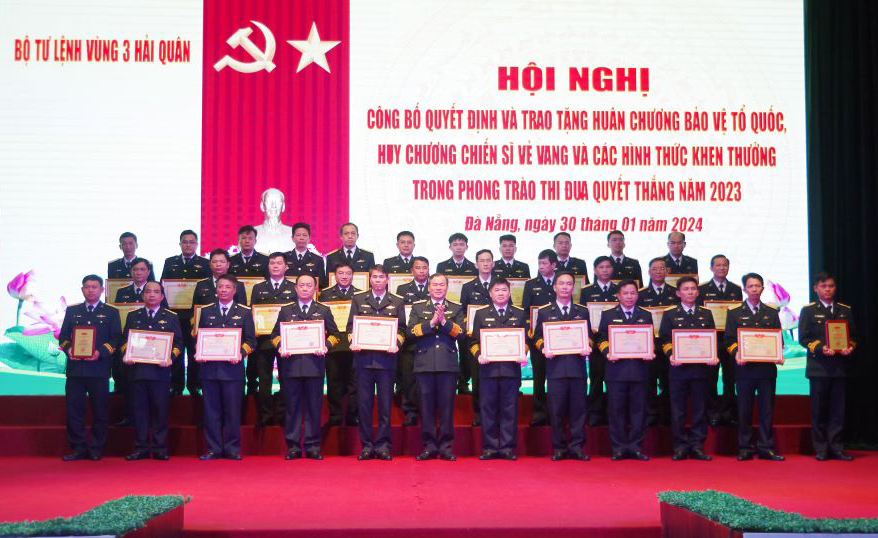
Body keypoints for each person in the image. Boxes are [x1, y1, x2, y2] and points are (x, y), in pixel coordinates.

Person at [271, 274, 340, 460]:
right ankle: (293, 447)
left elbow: (335, 335)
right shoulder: (286, 310)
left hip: (314, 366)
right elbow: (275, 335)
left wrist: (326, 346)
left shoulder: (323, 310)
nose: (305, 288)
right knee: (292, 408)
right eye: (301, 285)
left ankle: (312, 446)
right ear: (296, 288)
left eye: (309, 285)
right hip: (291, 366)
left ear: (315, 289)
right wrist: (281, 346)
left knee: (313, 408)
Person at [57, 275, 122, 461]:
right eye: (87, 287)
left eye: (94, 287)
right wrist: (69, 349)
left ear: (102, 289)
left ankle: (96, 448)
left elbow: (116, 339)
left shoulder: (111, 312)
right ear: (82, 290)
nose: (90, 290)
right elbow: (63, 337)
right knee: (74, 410)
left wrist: (100, 352)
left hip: (99, 369)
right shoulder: (73, 311)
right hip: (75, 369)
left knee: (100, 411)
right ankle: (78, 447)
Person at [724, 272, 784, 461]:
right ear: (745, 289)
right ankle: (745, 447)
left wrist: (778, 353)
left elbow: (778, 339)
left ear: (762, 289)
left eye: (757, 286)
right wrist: (737, 353)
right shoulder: (734, 313)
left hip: (766, 370)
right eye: (751, 286)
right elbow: (729, 340)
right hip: (745, 370)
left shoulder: (772, 312)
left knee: (767, 410)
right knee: (744, 410)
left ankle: (766, 447)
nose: (754, 289)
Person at [348, 265, 406, 460]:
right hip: (363, 361)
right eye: (375, 277)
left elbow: (402, 329)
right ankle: (366, 446)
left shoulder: (397, 301)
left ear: (387, 279)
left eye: (382, 277)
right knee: (364, 406)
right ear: (370, 279)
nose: (378, 280)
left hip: (386, 362)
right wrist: (353, 341)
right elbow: (350, 327)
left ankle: (383, 446)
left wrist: (396, 343)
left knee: (385, 407)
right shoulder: (358, 299)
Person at [195, 275, 256, 460]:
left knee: (232, 411)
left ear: (234, 290)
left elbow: (251, 341)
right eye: (220, 286)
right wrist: (200, 351)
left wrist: (240, 353)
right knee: (211, 412)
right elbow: (200, 337)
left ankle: (232, 449)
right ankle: (213, 449)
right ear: (216, 289)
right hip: (210, 370)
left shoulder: (244, 312)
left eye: (227, 287)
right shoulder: (206, 311)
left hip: (232, 371)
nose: (223, 290)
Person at [798, 272, 857, 461]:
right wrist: (820, 348)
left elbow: (853, 336)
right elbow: (803, 338)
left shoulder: (844, 310)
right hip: (819, 368)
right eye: (823, 286)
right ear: (816, 288)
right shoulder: (808, 311)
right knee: (819, 410)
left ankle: (837, 447)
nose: (828, 290)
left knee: (838, 411)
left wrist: (850, 347)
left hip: (840, 368)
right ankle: (821, 448)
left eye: (831, 286)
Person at [120, 281, 182, 460]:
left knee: (160, 411)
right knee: (139, 411)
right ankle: (141, 447)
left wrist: (170, 357)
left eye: (156, 292)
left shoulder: (170, 317)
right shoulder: (133, 316)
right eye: (148, 292)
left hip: (160, 373)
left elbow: (179, 343)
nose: (152, 295)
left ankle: (160, 447)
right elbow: (124, 341)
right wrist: (126, 354)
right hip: (138, 371)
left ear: (162, 296)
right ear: (143, 295)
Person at [533, 272, 591, 461]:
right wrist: (544, 348)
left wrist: (587, 345)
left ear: (573, 287)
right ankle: (558, 447)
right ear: (554, 287)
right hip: (555, 369)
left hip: (577, 368)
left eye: (569, 284)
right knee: (556, 410)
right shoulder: (544, 312)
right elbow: (537, 337)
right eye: (561, 283)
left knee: (578, 410)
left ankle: (577, 447)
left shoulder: (582, 311)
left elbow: (589, 336)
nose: (565, 287)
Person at [407, 273, 465, 461]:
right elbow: (410, 332)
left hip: (447, 364)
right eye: (435, 285)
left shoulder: (455, 308)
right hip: (424, 363)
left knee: (447, 409)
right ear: (429, 287)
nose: (438, 288)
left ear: (447, 287)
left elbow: (461, 334)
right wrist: (431, 323)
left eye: (442, 285)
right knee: (426, 408)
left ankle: (446, 447)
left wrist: (444, 322)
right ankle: (429, 446)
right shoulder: (418, 307)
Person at [658, 276, 715, 461]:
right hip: (678, 370)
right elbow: (665, 340)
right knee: (678, 411)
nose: (690, 292)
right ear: (678, 293)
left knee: (700, 409)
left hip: (700, 370)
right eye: (686, 289)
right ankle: (680, 446)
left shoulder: (706, 314)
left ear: (697, 292)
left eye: (693, 289)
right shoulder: (670, 314)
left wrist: (712, 354)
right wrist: (671, 355)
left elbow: (711, 338)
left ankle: (697, 446)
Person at [470, 278, 527, 460]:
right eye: (497, 290)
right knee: (488, 410)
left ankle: (507, 448)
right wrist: (479, 355)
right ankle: (489, 447)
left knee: (509, 410)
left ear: (509, 293)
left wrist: (523, 352)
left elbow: (525, 341)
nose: (501, 293)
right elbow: (473, 342)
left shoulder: (518, 313)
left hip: (511, 370)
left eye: (504, 290)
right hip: (488, 370)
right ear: (490, 293)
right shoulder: (481, 314)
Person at [597, 280, 654, 460]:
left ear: (637, 295)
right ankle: (619, 448)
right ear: (618, 296)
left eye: (633, 293)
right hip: (616, 370)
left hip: (639, 370)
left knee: (639, 411)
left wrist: (649, 351)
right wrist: (608, 352)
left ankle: (636, 447)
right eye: (625, 293)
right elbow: (601, 338)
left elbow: (649, 339)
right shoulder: (608, 315)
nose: (629, 297)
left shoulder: (645, 315)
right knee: (616, 411)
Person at [248, 252, 296, 426]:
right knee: (264, 379)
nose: (275, 266)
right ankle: (266, 415)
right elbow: (252, 314)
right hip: (264, 341)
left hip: (287, 341)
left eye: (279, 263)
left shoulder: (294, 287)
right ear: (268, 266)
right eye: (272, 263)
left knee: (286, 378)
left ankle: (283, 414)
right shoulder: (258, 288)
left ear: (286, 267)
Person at [160, 230, 210, 395]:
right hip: (174, 316)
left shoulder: (204, 263)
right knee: (176, 350)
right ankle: (176, 385)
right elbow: (162, 287)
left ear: (197, 244)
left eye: (191, 242)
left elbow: (208, 288)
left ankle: (194, 384)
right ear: (180, 244)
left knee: (194, 349)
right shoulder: (170, 262)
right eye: (185, 242)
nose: (188, 245)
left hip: (195, 316)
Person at [698, 254, 743, 426]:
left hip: (730, 341)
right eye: (718, 265)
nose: (721, 268)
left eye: (724, 265)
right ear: (711, 268)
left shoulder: (736, 289)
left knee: (730, 379)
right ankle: (712, 412)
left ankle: (728, 412)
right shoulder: (702, 289)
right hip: (710, 341)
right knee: (710, 379)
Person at [638, 257, 679, 426]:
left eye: (662, 268)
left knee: (669, 382)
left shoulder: (676, 293)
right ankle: (651, 414)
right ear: (649, 272)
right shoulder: (641, 294)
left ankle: (667, 415)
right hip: (648, 346)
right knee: (648, 381)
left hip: (670, 345)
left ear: (667, 271)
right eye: (655, 269)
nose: (658, 272)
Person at [578, 256, 619, 426]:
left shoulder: (619, 289)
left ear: (612, 269)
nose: (605, 270)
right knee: (596, 379)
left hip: (616, 343)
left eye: (608, 267)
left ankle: (612, 414)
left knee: (614, 381)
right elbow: (582, 317)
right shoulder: (587, 291)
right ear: (594, 271)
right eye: (601, 267)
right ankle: (594, 414)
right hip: (595, 343)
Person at [320, 263, 361, 426]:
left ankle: (352, 416)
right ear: (334, 276)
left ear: (353, 275)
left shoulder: (360, 295)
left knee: (354, 383)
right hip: (333, 345)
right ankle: (335, 416)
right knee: (333, 382)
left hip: (354, 345)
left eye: (348, 273)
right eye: (341, 273)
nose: (344, 276)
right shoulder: (325, 295)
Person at [521, 249, 558, 426]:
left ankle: (556, 411)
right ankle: (539, 411)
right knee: (539, 376)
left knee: (556, 377)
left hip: (559, 337)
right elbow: (526, 311)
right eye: (539, 263)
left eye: (544, 263)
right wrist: (531, 332)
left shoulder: (561, 281)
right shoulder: (531, 284)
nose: (541, 266)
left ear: (553, 265)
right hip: (538, 337)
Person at [459, 249, 496, 426]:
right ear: (476, 264)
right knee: (477, 377)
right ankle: (479, 413)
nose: (486, 264)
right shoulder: (468, 287)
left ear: (493, 263)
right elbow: (463, 312)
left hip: (497, 338)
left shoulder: (500, 284)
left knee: (495, 377)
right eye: (482, 261)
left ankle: (495, 412)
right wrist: (469, 327)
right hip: (476, 339)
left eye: (488, 260)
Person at [394, 256, 430, 426]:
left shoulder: (434, 287)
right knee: (409, 379)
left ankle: (427, 411)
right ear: (412, 271)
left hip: (428, 340)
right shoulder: (402, 289)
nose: (421, 271)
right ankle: (410, 411)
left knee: (427, 379)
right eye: (418, 268)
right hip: (409, 341)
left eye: (424, 268)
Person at [253, 188, 295, 254]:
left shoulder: (294, 233)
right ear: (262, 206)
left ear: (283, 206)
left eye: (278, 201)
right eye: (269, 201)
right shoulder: (250, 234)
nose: (274, 206)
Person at [284, 222, 326, 287]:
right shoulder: (284, 257)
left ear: (309, 238)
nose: (301, 238)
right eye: (298, 235)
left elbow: (321, 284)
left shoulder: (317, 259)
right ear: (292, 238)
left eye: (304, 235)